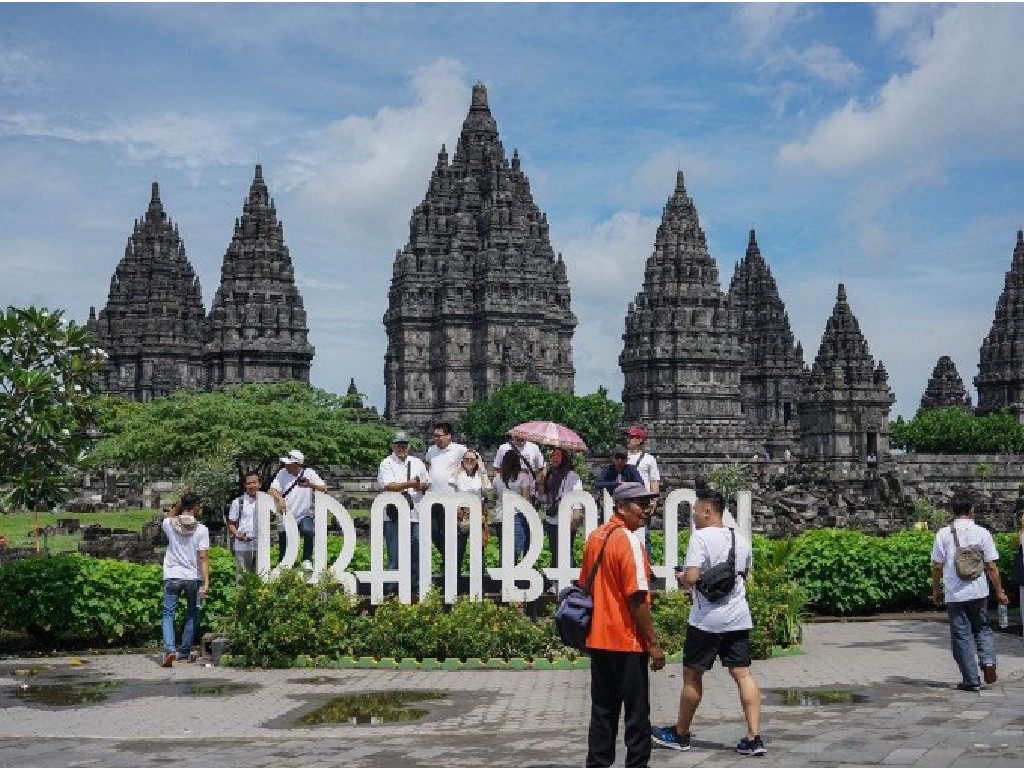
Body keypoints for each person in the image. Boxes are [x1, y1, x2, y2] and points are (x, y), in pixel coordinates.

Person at [651, 481, 765, 756]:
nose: (692, 515)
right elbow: (746, 575)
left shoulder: (700, 539)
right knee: (743, 674)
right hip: (738, 617)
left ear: (708, 512)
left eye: (696, 510)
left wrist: (682, 577)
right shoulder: (741, 539)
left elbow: (691, 578)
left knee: (692, 675)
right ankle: (754, 738)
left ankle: (680, 734)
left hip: (706, 620)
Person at [581, 481, 665, 768]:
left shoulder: (595, 538)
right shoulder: (628, 540)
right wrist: (653, 644)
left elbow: (586, 587)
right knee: (637, 715)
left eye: (647, 503)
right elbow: (638, 598)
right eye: (640, 504)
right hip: (627, 640)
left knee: (603, 711)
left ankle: (598, 764)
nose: (646, 510)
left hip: (599, 639)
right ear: (620, 506)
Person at [930, 494, 1008, 691]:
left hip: (955, 594)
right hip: (979, 590)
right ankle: (988, 662)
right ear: (971, 510)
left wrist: (936, 591)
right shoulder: (982, 533)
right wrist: (999, 591)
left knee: (961, 636)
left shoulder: (943, 534)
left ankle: (971, 680)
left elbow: (937, 567)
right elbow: (991, 566)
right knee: (982, 629)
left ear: (951, 511)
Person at [160, 492, 210, 667]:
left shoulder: (169, 524)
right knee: (191, 614)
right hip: (192, 576)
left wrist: (178, 503)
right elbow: (203, 557)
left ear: (182, 505)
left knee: (168, 614)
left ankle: (169, 650)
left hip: (172, 574)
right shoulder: (202, 529)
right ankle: (184, 654)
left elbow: (170, 515)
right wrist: (206, 582)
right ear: (196, 507)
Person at [377, 431, 430, 593]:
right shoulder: (386, 463)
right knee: (395, 553)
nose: (401, 447)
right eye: (398, 444)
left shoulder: (417, 462)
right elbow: (388, 485)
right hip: (395, 514)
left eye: (404, 444)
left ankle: (414, 585)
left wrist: (420, 485)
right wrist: (411, 484)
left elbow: (426, 482)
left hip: (416, 513)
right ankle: (393, 587)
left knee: (416, 550)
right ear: (392, 446)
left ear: (408, 446)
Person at [268, 449, 326, 571]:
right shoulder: (282, 473)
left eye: (289, 463)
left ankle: (306, 559)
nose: (286, 465)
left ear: (297, 464)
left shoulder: (309, 473)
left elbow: (324, 488)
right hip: (287, 514)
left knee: (309, 531)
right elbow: (272, 490)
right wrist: (279, 498)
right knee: (284, 543)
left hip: (304, 514)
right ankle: (285, 565)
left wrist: (311, 485)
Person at [424, 421, 467, 579]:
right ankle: (448, 559)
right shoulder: (431, 450)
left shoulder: (459, 450)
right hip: (433, 499)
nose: (436, 439)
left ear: (449, 436)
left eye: (439, 436)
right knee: (434, 532)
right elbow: (429, 468)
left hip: (451, 500)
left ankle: (452, 565)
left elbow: (472, 461)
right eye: (434, 436)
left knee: (451, 534)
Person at [450, 448, 492, 583]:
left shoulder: (480, 476)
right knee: (458, 550)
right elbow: (450, 482)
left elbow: (488, 490)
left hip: (477, 516)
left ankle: (479, 583)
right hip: (460, 515)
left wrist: (483, 469)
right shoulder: (459, 475)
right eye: (466, 459)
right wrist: (458, 468)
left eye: (472, 460)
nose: (469, 462)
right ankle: (455, 583)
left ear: (477, 461)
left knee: (478, 551)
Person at [543, 447, 584, 576]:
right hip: (551, 520)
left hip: (567, 520)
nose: (554, 458)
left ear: (564, 458)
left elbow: (577, 496)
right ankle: (555, 584)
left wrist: (576, 517)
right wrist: (540, 481)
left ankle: (570, 583)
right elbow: (544, 496)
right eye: (552, 456)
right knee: (555, 552)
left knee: (566, 552)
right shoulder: (550, 474)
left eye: (558, 456)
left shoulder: (572, 476)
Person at [492, 448, 537, 564]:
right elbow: (526, 500)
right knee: (517, 545)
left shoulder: (497, 478)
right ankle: (512, 571)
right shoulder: (522, 477)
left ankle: (503, 576)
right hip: (516, 516)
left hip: (500, 516)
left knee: (504, 546)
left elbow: (495, 497)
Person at [625, 426, 661, 553]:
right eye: (628, 437)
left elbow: (654, 480)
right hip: (626, 500)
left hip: (643, 501)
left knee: (644, 534)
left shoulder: (649, 459)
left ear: (640, 440)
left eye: (632, 437)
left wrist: (654, 501)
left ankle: (646, 565)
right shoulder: (622, 458)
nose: (628, 439)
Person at [226, 471, 261, 581]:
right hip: (242, 546)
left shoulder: (266, 501)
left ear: (260, 484)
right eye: (249, 483)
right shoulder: (238, 502)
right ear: (245, 485)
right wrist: (238, 535)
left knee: (260, 578)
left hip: (260, 546)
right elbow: (231, 524)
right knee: (242, 579)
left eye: (254, 483)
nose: (252, 486)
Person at [493, 431, 546, 497]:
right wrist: (501, 485)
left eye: (522, 435)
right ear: (512, 434)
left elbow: (541, 468)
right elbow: (496, 469)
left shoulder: (534, 448)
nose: (520, 438)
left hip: (530, 490)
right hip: (507, 491)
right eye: (517, 435)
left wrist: (539, 486)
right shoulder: (503, 448)